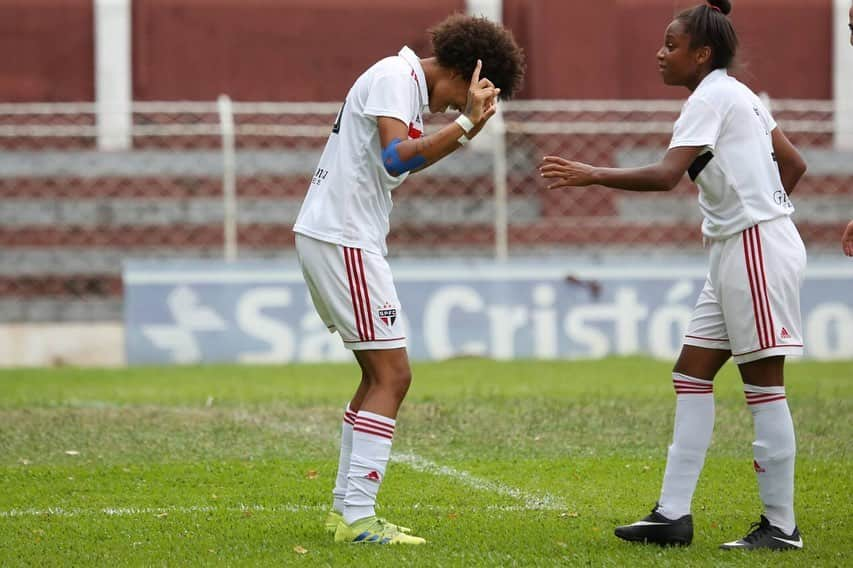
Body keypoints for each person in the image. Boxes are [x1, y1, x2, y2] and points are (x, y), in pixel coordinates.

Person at [540, 0, 808, 551]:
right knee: (691, 374)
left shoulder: (709, 97)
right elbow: (796, 165)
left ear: (702, 54)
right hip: (744, 246)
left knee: (763, 387)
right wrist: (760, 208)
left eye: (671, 45)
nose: (660, 54)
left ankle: (782, 528)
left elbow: (666, 176)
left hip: (753, 249)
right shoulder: (741, 96)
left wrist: (591, 174)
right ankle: (672, 516)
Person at [293, 14, 524, 545]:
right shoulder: (397, 79)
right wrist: (464, 126)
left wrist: (462, 129)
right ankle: (358, 520)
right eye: (472, 93)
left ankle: (344, 513)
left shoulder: (400, 83)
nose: (450, 107)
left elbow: (398, 165)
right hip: (343, 236)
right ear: (469, 71)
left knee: (377, 376)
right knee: (394, 376)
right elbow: (398, 154)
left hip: (341, 234)